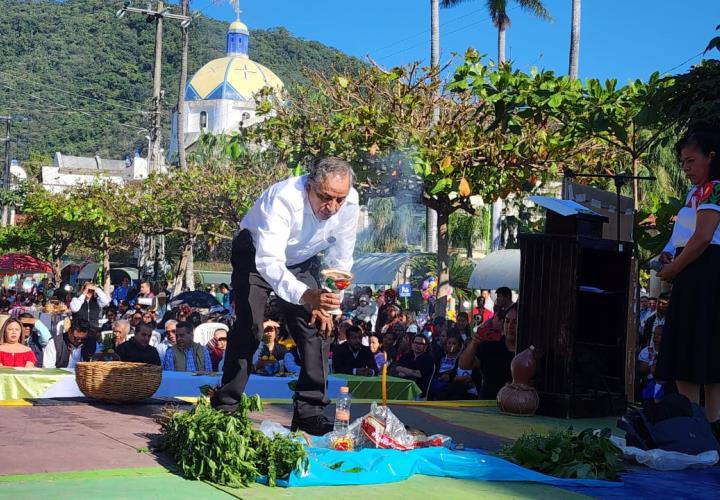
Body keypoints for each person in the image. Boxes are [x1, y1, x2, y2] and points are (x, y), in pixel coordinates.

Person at [211, 157, 359, 436]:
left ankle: (309, 412)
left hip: (302, 261)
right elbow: (270, 263)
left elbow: (342, 256)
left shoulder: (349, 200)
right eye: (326, 198)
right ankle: (226, 405)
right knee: (249, 329)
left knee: (318, 326)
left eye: (339, 199)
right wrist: (306, 294)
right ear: (309, 186)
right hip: (256, 257)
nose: (333, 207)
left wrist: (328, 299)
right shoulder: (282, 199)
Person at [656, 126, 720, 428]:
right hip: (690, 269)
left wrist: (675, 268)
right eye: (682, 162)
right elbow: (682, 235)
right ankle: (693, 424)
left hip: (706, 272)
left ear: (711, 157)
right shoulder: (695, 192)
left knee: (705, 348)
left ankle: (709, 425)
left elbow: (704, 236)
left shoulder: (716, 187)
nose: (686, 168)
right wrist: (667, 255)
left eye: (691, 161)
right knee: (689, 350)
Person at [458, 303, 517, 399]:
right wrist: (474, 343)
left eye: (515, 322)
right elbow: (463, 365)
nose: (510, 326)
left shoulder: (528, 351)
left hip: (518, 404)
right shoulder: (491, 344)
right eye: (507, 321)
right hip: (487, 404)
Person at [394, 333, 436, 398]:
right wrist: (411, 372)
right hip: (401, 386)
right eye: (415, 342)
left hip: (417, 391)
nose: (417, 345)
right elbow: (397, 367)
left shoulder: (428, 359)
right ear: (412, 344)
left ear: (426, 346)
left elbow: (418, 374)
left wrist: (404, 372)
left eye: (421, 344)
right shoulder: (407, 356)